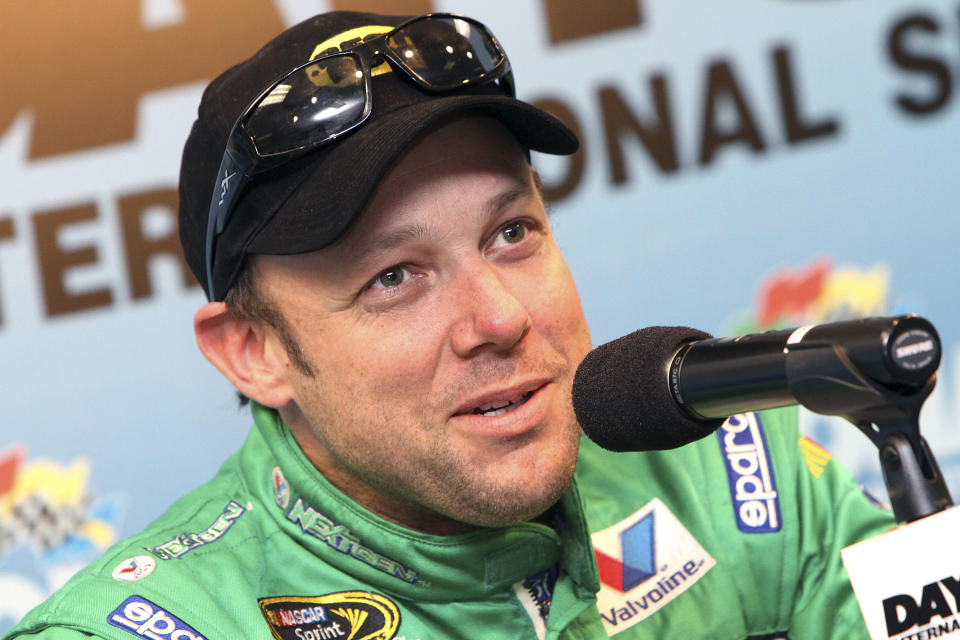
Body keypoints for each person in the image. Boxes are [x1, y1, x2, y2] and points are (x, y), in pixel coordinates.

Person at [5, 10, 894, 640]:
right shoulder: (156, 629)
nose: (499, 319)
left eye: (511, 234)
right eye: (395, 277)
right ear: (255, 351)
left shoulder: (742, 473)